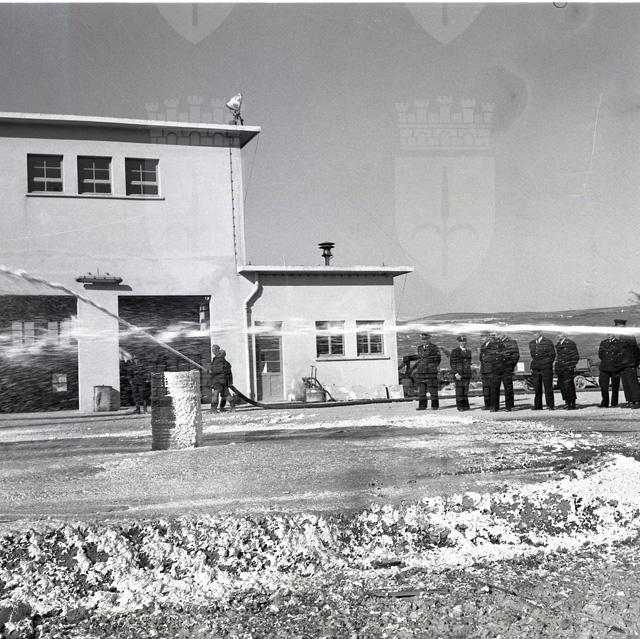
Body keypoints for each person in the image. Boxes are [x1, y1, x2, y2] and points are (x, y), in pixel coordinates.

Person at [614, 319, 640, 408]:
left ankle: (637, 401)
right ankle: (630, 401)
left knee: (632, 383)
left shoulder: (629, 335)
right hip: (623, 364)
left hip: (630, 363)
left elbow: (635, 349)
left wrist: (636, 361)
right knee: (626, 384)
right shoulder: (621, 336)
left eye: (617, 326)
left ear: (621, 326)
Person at [529, 331, 556, 410]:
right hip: (536, 368)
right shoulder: (532, 343)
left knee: (548, 387)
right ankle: (538, 406)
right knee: (537, 387)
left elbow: (552, 355)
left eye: (535, 333)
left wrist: (546, 364)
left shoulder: (547, 342)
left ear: (539, 333)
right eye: (533, 333)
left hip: (546, 368)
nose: (534, 335)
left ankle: (550, 405)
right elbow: (533, 355)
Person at [414, 333, 441, 410]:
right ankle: (422, 406)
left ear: (429, 339)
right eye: (423, 339)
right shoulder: (419, 348)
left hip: (430, 372)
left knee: (433, 390)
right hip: (421, 372)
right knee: (422, 390)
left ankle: (434, 406)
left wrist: (432, 367)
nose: (424, 341)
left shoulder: (434, 347)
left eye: (426, 339)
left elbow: (438, 359)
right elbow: (419, 359)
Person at [555, 333, 580, 410]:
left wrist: (571, 366)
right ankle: (567, 401)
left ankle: (572, 403)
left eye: (560, 334)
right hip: (560, 368)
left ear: (564, 334)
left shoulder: (570, 343)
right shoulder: (558, 344)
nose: (558, 336)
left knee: (569, 386)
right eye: (557, 334)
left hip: (567, 368)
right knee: (562, 386)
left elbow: (576, 356)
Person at [598, 333, 622, 408]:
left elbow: (621, 355)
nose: (609, 335)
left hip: (615, 367)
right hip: (604, 367)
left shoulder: (619, 343)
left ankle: (614, 403)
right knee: (604, 386)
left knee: (615, 386)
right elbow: (600, 354)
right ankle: (605, 402)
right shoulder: (603, 342)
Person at [449, 335, 472, 411]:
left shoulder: (468, 352)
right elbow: (452, 363)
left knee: (465, 391)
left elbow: (468, 363)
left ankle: (466, 406)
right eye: (461, 341)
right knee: (459, 391)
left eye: (464, 341)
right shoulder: (455, 351)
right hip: (458, 374)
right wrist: (456, 373)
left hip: (466, 374)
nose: (463, 343)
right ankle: (460, 407)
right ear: (459, 342)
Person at [498, 333, 520, 411]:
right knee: (495, 388)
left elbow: (516, 356)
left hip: (507, 368)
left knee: (508, 388)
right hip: (497, 369)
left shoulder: (512, 342)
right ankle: (496, 407)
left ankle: (509, 406)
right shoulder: (496, 343)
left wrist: (510, 366)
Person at [210, 347, 233, 412]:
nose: (213, 351)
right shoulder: (225, 362)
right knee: (225, 394)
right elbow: (229, 374)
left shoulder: (218, 360)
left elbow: (217, 370)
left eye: (214, 350)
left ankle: (213, 409)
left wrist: (211, 371)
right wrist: (230, 382)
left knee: (215, 394)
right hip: (223, 381)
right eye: (212, 350)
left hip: (218, 381)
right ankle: (229, 407)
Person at [479, 332, 497, 410]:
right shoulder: (483, 346)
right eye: (481, 337)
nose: (481, 339)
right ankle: (487, 405)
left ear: (487, 337)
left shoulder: (493, 345)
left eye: (483, 337)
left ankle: (493, 405)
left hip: (491, 369)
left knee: (492, 388)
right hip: (484, 369)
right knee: (485, 388)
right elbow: (480, 358)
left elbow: (494, 357)